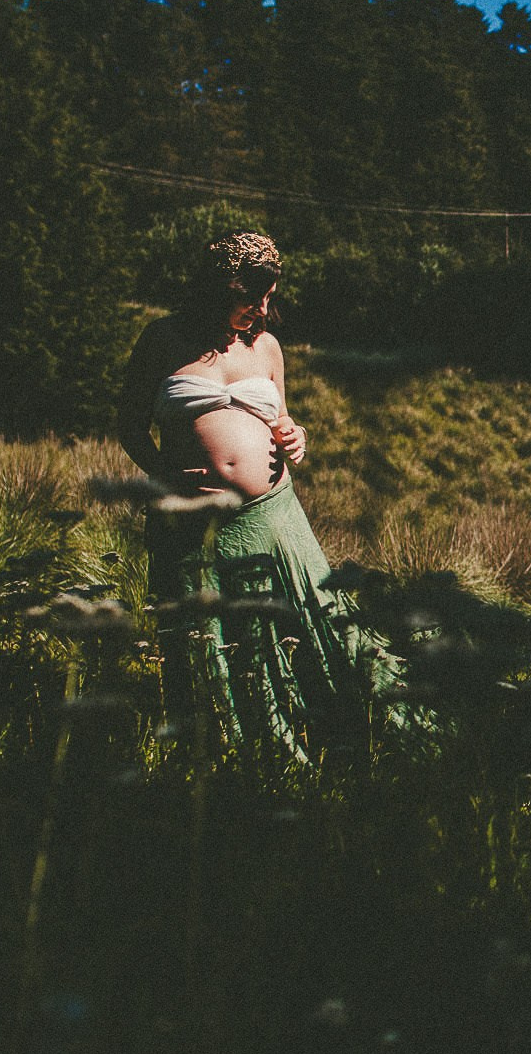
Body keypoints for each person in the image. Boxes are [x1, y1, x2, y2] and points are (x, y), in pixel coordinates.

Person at [119, 230, 425, 766]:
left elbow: (279, 419)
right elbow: (129, 426)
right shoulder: (162, 339)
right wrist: (163, 475)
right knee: (214, 645)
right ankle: (238, 761)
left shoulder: (267, 346)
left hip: (274, 517)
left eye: (268, 297)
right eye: (249, 296)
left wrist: (295, 437)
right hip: (195, 525)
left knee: (310, 630)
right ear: (217, 288)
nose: (261, 309)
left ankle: (343, 737)